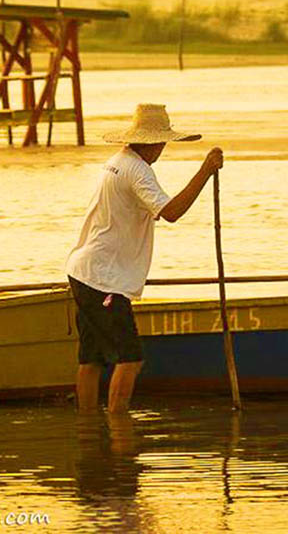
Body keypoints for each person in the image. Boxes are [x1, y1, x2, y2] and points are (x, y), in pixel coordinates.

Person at [64, 103, 224, 414]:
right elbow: (172, 213)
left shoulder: (117, 161)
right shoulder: (137, 170)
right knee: (130, 357)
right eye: (162, 143)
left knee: (92, 357)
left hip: (83, 271)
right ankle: (119, 430)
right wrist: (204, 171)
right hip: (103, 279)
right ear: (152, 142)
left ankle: (87, 429)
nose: (162, 149)